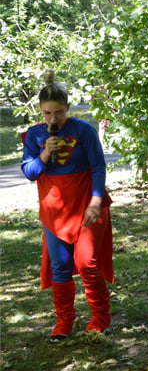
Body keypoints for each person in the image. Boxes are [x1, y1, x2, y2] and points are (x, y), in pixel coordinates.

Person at [21, 70, 114, 340]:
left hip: (88, 203)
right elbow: (30, 172)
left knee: (86, 262)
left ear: (68, 108)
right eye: (47, 114)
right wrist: (46, 152)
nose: (53, 119)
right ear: (40, 111)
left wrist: (96, 201)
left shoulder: (83, 130)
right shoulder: (34, 136)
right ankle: (64, 320)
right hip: (55, 210)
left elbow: (98, 166)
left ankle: (101, 314)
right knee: (60, 266)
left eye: (59, 113)